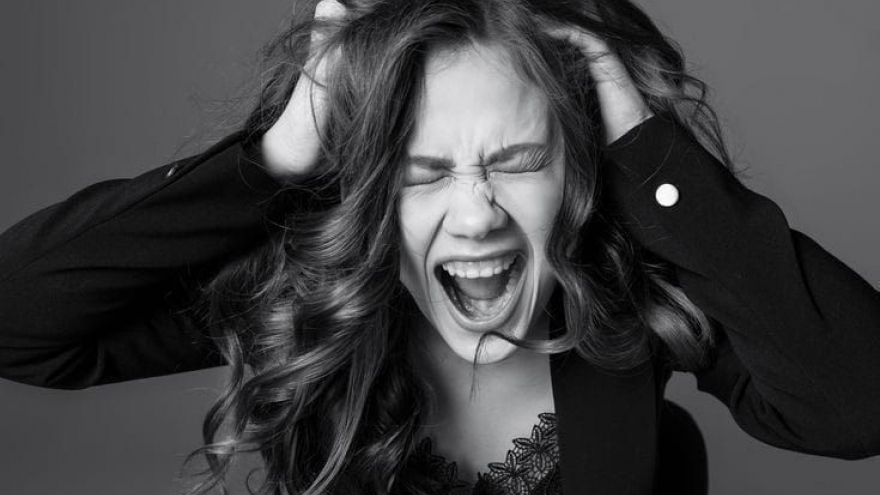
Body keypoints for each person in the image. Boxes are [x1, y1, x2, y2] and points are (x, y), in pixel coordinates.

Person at [1, 0, 878, 494]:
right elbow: (18, 318)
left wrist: (653, 158)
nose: (475, 215)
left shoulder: (634, 299)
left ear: (579, 167)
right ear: (366, 190)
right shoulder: (304, 301)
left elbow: (858, 405)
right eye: (421, 173)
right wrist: (275, 155)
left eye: (519, 160)